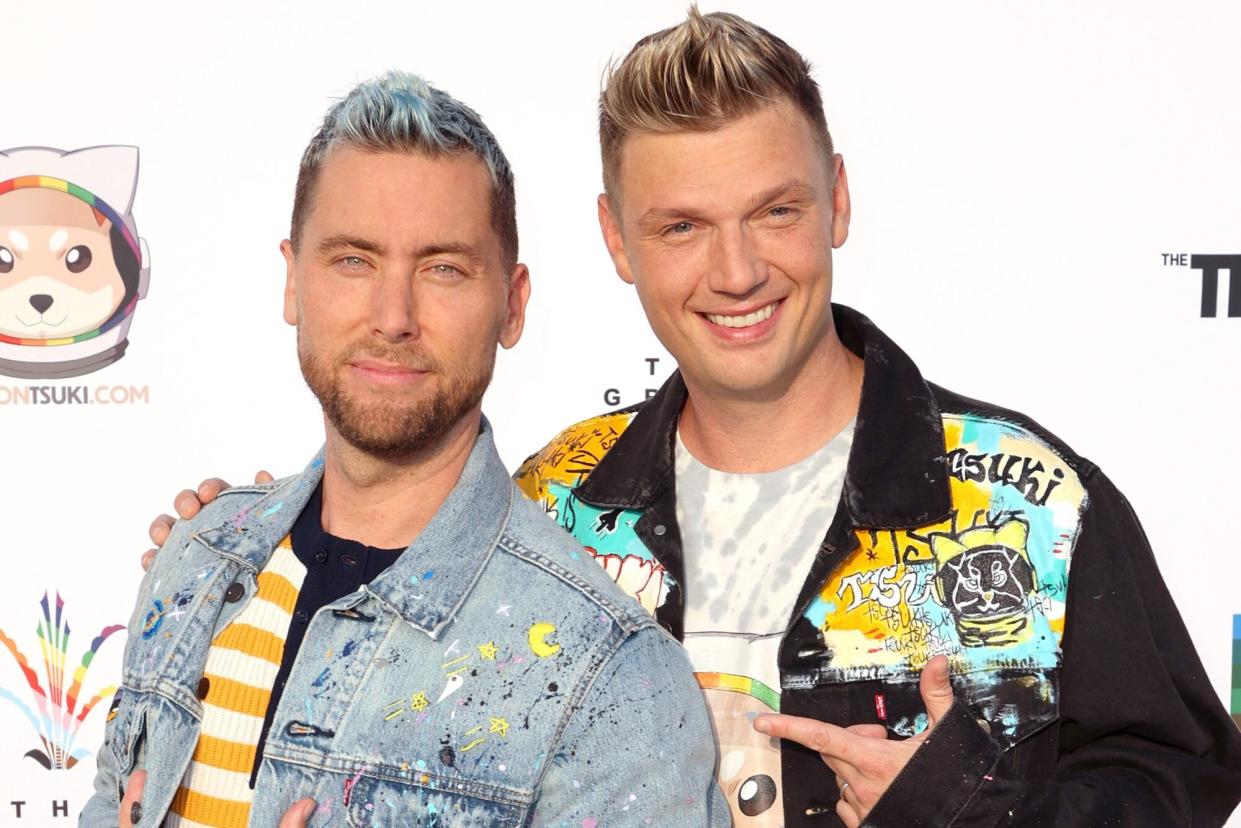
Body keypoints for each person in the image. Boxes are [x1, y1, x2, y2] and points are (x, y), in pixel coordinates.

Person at [149, 10, 1241, 828]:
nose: (735, 272)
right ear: (616, 242)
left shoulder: (1026, 501)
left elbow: (1179, 779)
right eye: (678, 227)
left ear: (837, 202)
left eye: (774, 210)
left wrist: (962, 809)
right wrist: (251, 544)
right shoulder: (549, 503)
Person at [83, 70, 725, 828]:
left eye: (442, 268)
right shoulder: (195, 562)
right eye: (353, 260)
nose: (393, 316)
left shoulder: (607, 673)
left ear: (511, 305)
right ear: (293, 282)